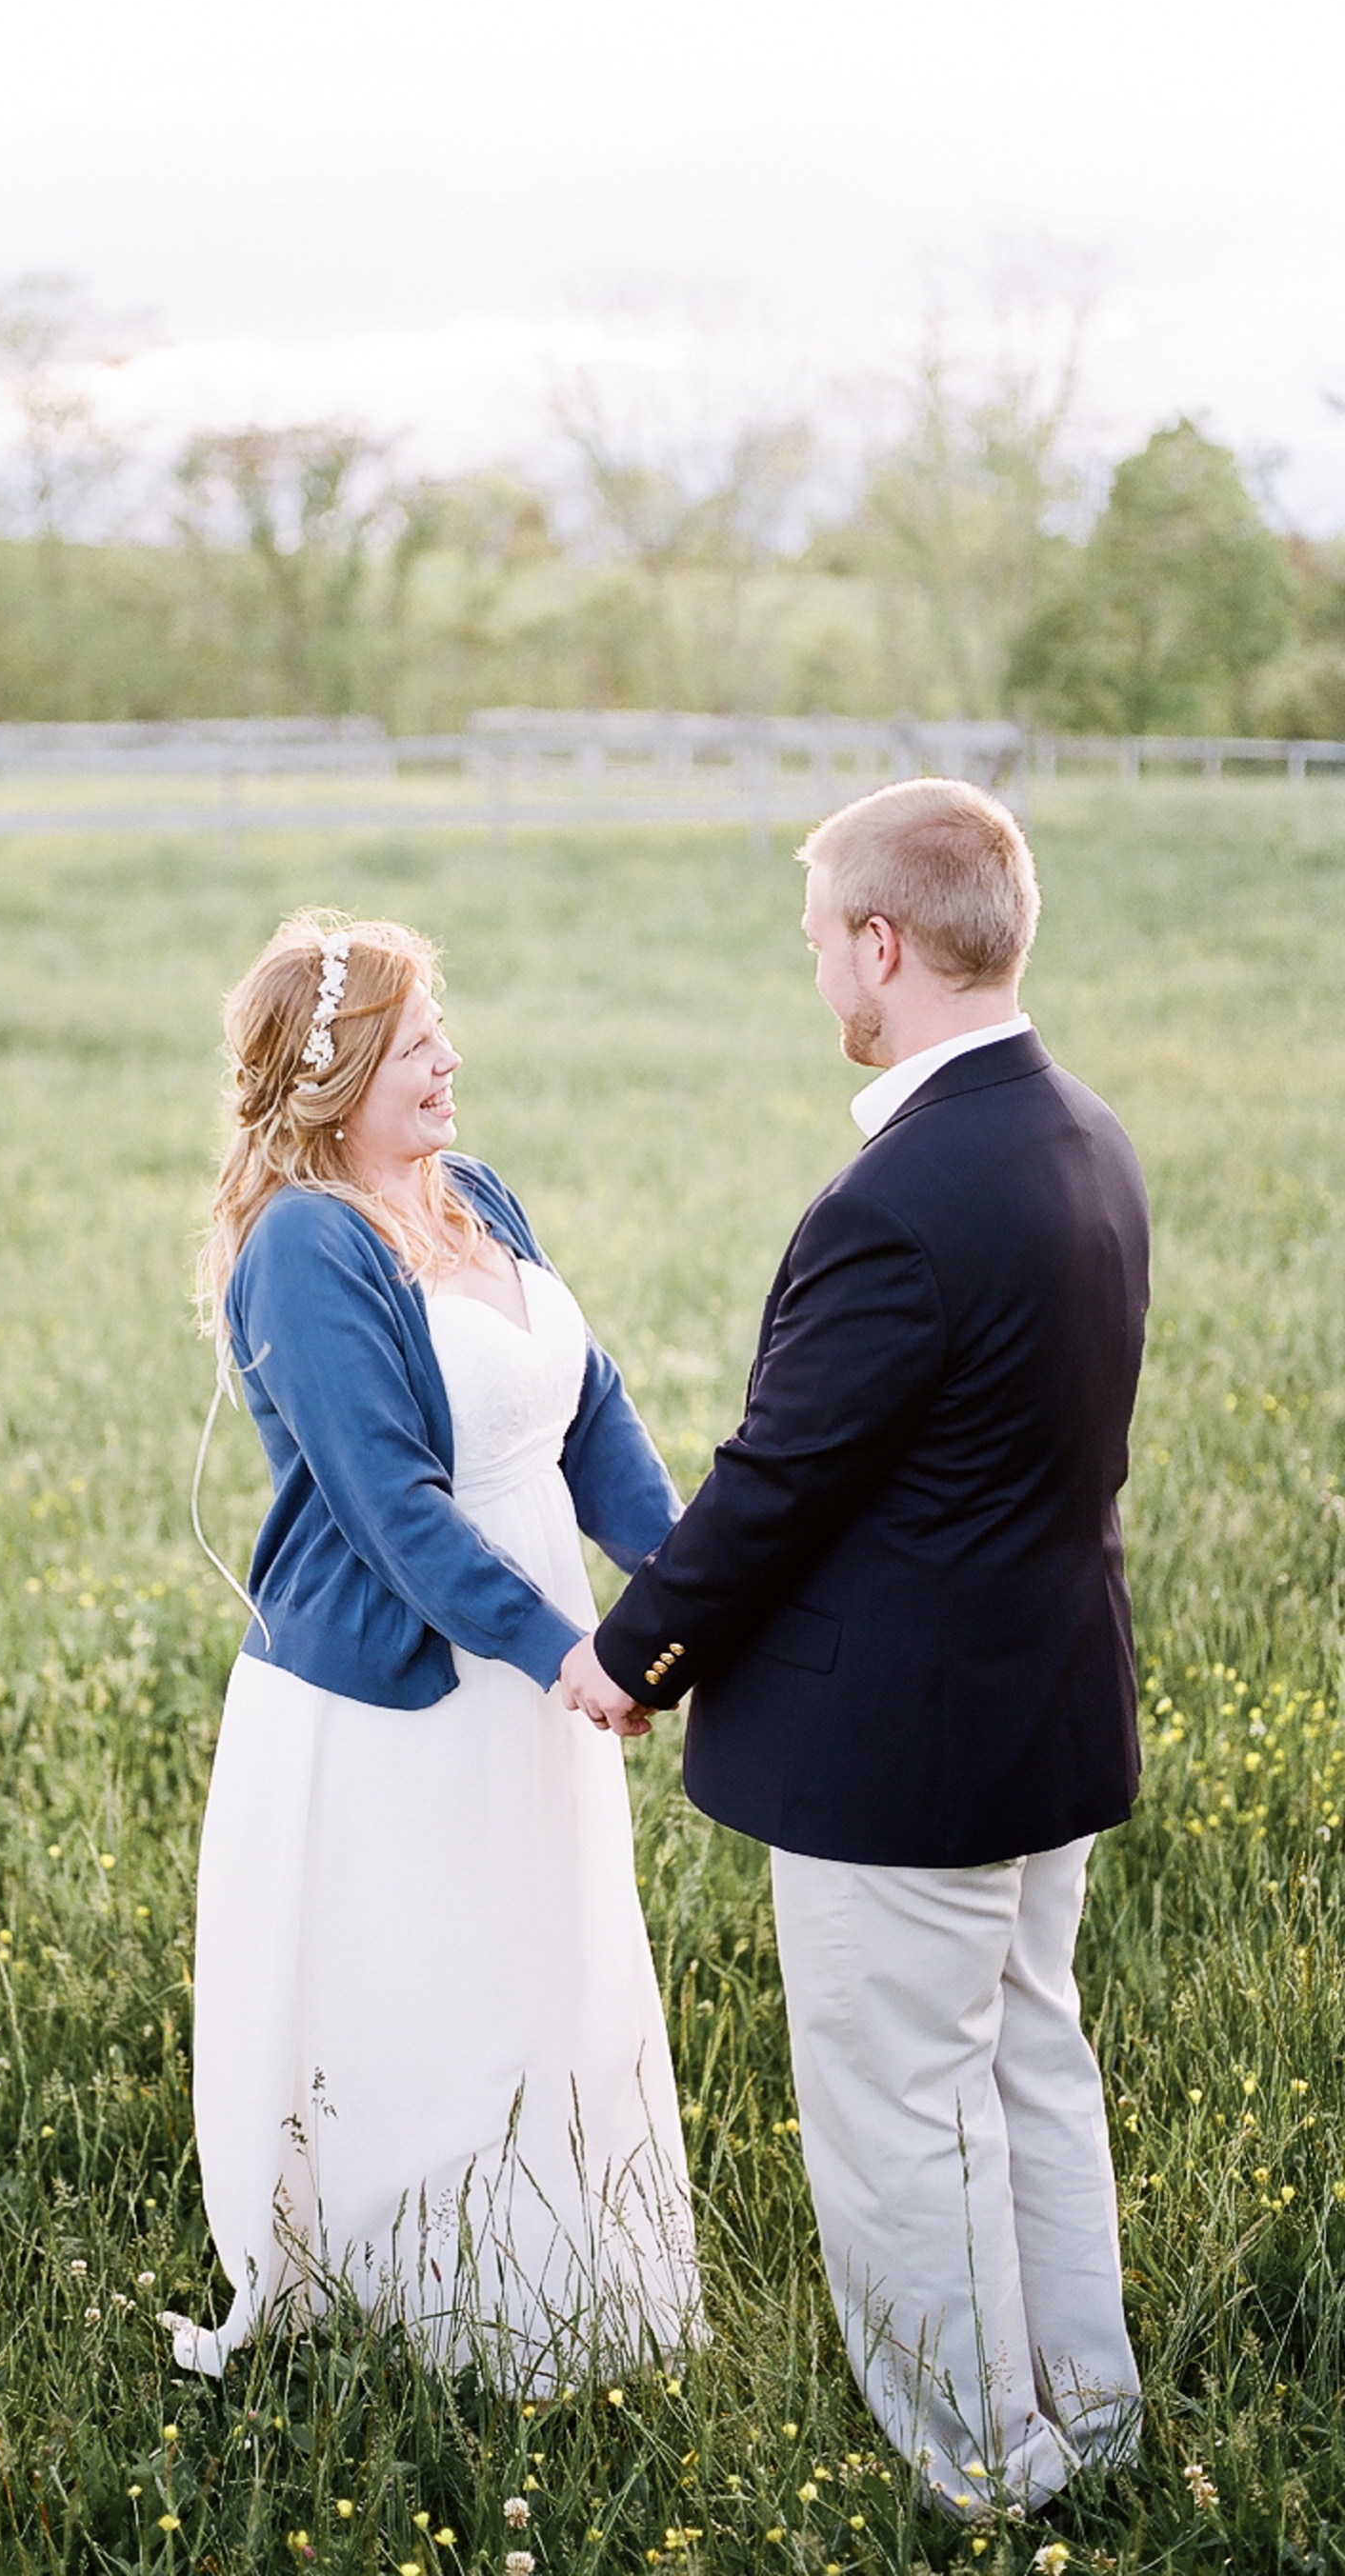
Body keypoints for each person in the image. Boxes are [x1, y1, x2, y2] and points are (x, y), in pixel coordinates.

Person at [560, 779, 1147, 2518]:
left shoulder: (904, 1196)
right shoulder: (1084, 1135)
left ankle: (986, 2477)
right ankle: (1088, 2423)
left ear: (884, 945)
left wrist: (633, 1652)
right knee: (1034, 2061)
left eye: (822, 937)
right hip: (1041, 1715)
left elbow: (787, 1477)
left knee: (907, 2112)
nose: (816, 967)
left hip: (906, 1754)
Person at [168, 909, 701, 2386]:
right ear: (338, 1074)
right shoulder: (305, 1247)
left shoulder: (475, 1197)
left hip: (538, 1658)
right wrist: (565, 1651)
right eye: (419, 1046)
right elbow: (392, 1506)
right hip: (402, 1690)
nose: (452, 1061)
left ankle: (575, 2264)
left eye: (442, 1033)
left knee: (544, 1954)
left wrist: (682, 1591)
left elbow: (587, 1411)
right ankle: (431, 2304)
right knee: (429, 1978)